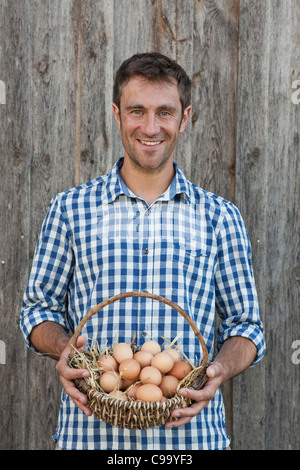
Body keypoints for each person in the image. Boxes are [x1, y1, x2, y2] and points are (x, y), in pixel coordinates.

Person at [20, 52, 265, 450]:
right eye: (137, 110)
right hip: (92, 436)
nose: (150, 127)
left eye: (164, 112)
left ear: (184, 119)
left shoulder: (220, 216)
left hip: (189, 439)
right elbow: (37, 310)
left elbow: (246, 327)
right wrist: (66, 349)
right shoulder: (70, 208)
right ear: (117, 115)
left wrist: (219, 368)